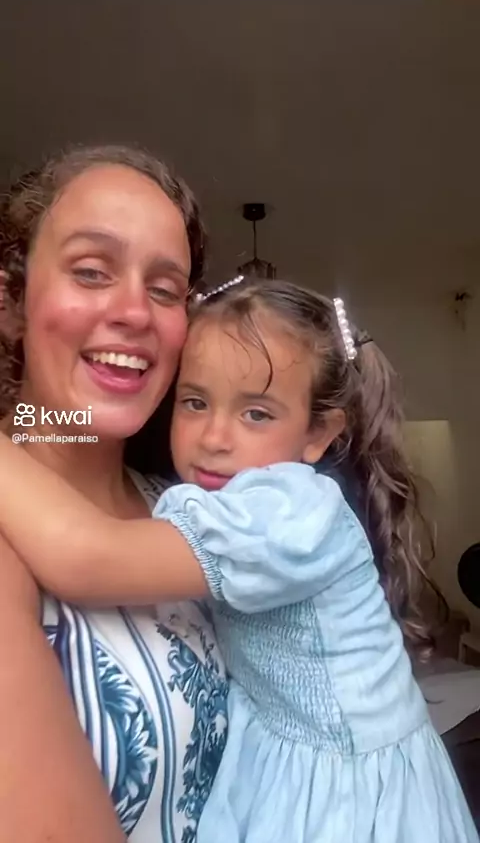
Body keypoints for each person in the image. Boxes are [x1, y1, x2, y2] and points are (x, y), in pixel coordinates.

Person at [0, 277, 477, 842]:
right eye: (195, 402)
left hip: (347, 798)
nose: (214, 437)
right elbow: (61, 429)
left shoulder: (293, 512)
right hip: (280, 758)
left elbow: (86, 555)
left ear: (318, 435)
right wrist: (23, 419)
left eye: (256, 414)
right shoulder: (201, 498)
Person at [0, 146, 228, 843]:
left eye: (164, 289)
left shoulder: (186, 508)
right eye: (91, 271)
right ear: (11, 302)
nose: (134, 312)